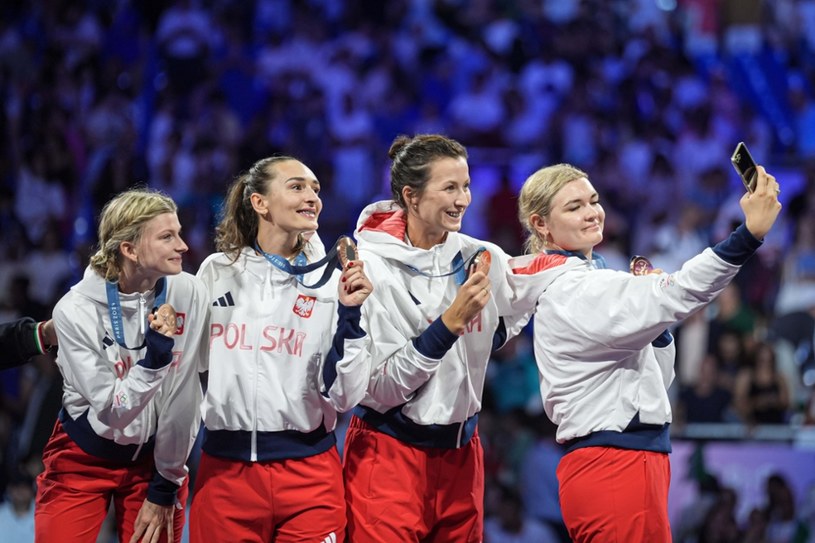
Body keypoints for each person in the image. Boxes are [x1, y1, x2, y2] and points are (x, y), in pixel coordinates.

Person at [509, 162, 781, 542]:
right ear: (541, 225)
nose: (592, 212)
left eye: (594, 200)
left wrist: (657, 330)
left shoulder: (588, 280)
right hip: (614, 466)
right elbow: (681, 291)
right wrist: (748, 235)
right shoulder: (577, 288)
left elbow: (654, 379)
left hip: (626, 461)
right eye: (574, 207)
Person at [342, 134, 527, 542]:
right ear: (411, 195)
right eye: (449, 188)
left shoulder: (483, 255)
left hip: (463, 454)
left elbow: (513, 315)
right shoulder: (369, 267)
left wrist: (481, 339)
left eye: (466, 186)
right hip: (388, 453)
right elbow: (382, 388)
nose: (463, 199)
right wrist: (449, 325)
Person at [189, 156, 373, 543]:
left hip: (309, 477)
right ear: (260, 203)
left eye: (315, 190)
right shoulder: (215, 272)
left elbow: (347, 394)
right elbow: (188, 372)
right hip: (225, 476)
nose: (312, 198)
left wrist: (351, 316)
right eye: (297, 187)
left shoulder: (334, 283)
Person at [35, 188, 209, 543]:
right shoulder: (74, 311)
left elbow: (184, 396)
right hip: (82, 456)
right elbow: (115, 411)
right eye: (167, 237)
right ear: (129, 249)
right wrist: (155, 360)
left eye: (178, 233)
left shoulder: (189, 291)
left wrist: (166, 483)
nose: (183, 246)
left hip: (155, 461)